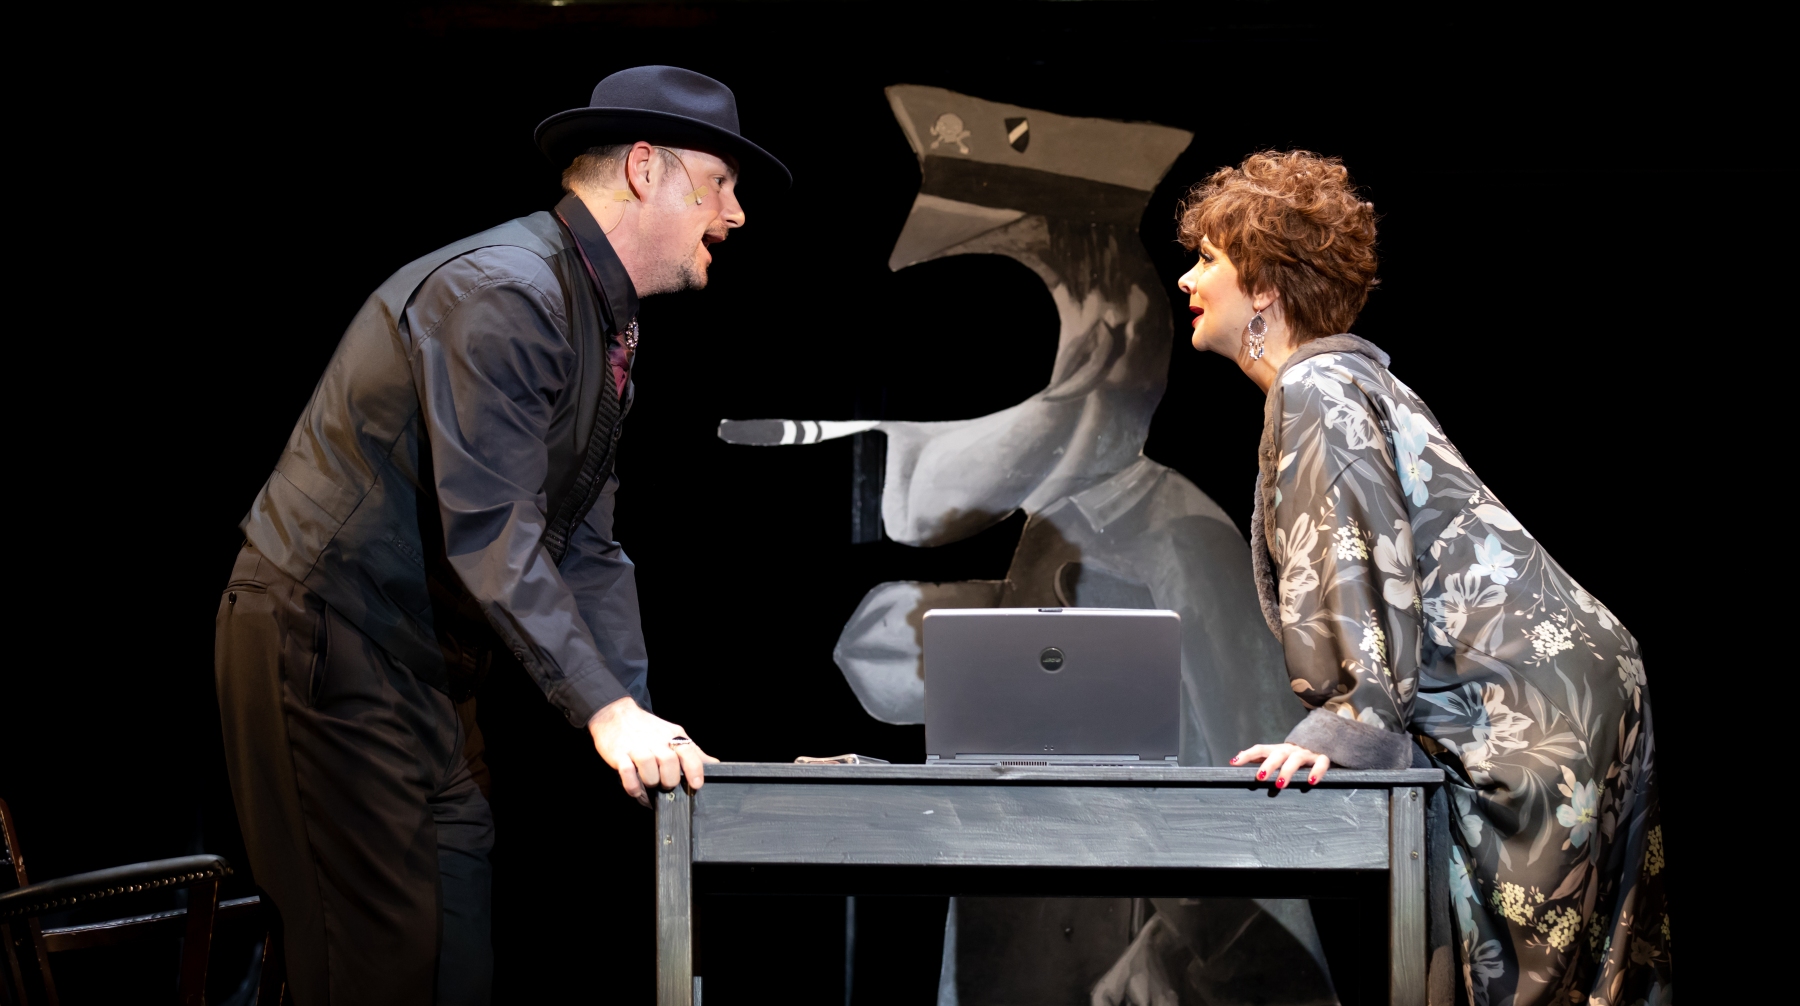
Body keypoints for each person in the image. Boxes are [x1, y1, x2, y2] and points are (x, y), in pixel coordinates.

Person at [214, 66, 788, 1006]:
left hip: (430, 668)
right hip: (328, 643)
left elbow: (588, 547)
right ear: (646, 168)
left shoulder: (601, 323)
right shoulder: (506, 292)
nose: (735, 213)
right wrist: (604, 712)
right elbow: (493, 528)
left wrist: (645, 726)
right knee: (380, 964)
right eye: (720, 182)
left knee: (456, 958)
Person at [1178, 151, 1670, 1005]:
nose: (1188, 278)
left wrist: (1347, 724)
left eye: (1209, 258)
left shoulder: (1317, 385)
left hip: (1526, 712)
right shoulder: (1353, 378)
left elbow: (1352, 554)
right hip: (1573, 689)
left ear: (1263, 285)